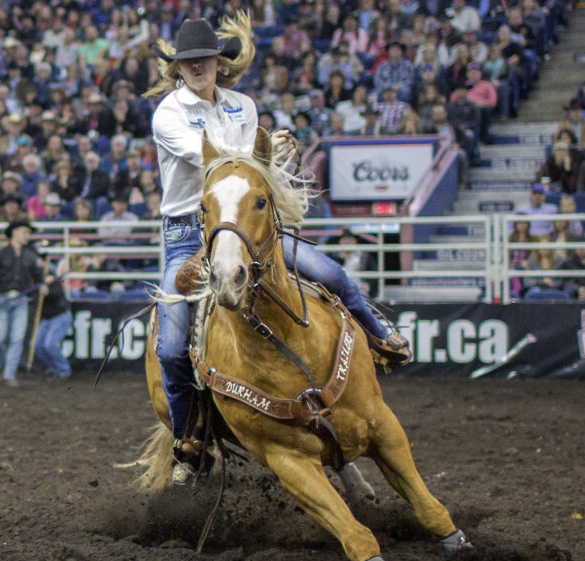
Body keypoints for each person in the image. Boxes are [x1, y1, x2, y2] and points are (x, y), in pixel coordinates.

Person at [146, 15, 408, 485]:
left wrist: (272, 156)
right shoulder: (169, 113)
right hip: (188, 234)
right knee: (170, 346)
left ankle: (380, 335)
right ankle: (188, 439)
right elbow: (213, 157)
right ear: (178, 68)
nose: (197, 66)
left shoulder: (243, 106)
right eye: (188, 61)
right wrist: (265, 149)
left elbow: (250, 172)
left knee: (330, 275)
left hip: (248, 227)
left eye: (204, 58)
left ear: (220, 63)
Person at [0, 219, 42, 387]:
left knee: (17, 338)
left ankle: (9, 374)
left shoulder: (31, 255)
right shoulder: (1, 254)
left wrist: (43, 283)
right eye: (25, 232)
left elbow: (38, 275)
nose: (27, 236)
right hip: (2, 299)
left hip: (21, 300)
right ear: (15, 232)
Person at [33, 264, 72, 379]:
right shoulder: (37, 284)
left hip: (60, 316)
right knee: (37, 346)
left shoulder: (56, 283)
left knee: (49, 345)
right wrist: (39, 290)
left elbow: (57, 293)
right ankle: (55, 368)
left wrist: (47, 291)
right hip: (46, 318)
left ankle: (64, 371)